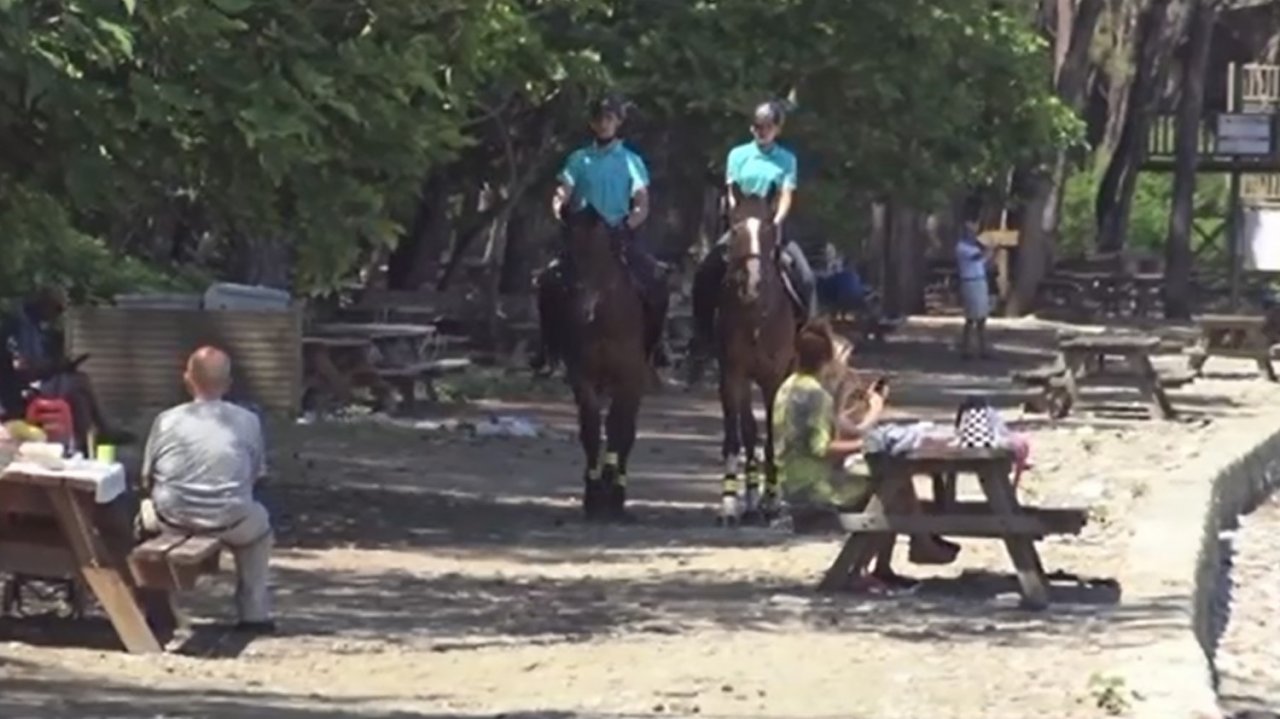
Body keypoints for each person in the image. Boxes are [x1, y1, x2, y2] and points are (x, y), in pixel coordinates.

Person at [773, 321, 956, 591]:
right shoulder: (815, 395)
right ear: (827, 359)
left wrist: (847, 399)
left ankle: (902, 554)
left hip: (791, 481)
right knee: (893, 483)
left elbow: (826, 432)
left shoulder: (789, 386)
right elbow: (821, 449)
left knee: (891, 482)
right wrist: (865, 444)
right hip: (814, 488)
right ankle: (910, 548)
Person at [138, 346, 275, 633]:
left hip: (172, 518)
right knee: (260, 528)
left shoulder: (166, 420)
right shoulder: (248, 421)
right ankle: (254, 613)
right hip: (230, 520)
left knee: (143, 517)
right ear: (228, 383)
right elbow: (256, 476)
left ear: (187, 379)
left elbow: (147, 477)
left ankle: (156, 607)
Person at [529, 94, 669, 373]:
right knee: (548, 281)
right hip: (582, 236)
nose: (604, 124)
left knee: (656, 279)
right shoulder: (578, 159)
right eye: (599, 119)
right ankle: (547, 348)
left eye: (609, 119)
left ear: (618, 122)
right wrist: (560, 207)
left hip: (618, 233)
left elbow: (641, 202)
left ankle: (655, 346)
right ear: (592, 124)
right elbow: (563, 191)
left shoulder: (631, 161)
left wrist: (630, 223)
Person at [688, 100, 817, 368]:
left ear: (777, 129)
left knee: (806, 278)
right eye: (758, 126)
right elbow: (732, 193)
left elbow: (786, 195)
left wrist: (775, 221)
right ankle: (702, 339)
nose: (762, 131)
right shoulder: (737, 155)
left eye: (768, 127)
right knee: (705, 273)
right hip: (742, 226)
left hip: (772, 225)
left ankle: (808, 342)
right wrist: (738, 219)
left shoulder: (786, 159)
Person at [1, 288, 133, 449]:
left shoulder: (35, 327)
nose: (57, 315)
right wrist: (57, 367)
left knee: (79, 397)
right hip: (19, 391)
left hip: (34, 383)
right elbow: (24, 369)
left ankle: (83, 444)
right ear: (44, 304)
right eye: (57, 309)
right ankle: (104, 430)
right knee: (80, 382)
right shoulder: (19, 327)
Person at [955, 201, 993, 359]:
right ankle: (966, 349)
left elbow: (982, 261)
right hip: (970, 282)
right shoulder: (962, 247)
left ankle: (983, 349)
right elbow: (978, 257)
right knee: (971, 318)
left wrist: (991, 252)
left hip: (980, 280)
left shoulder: (975, 245)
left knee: (982, 318)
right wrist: (990, 250)